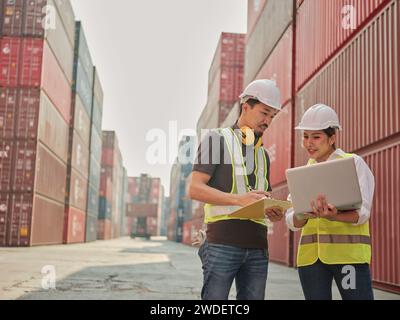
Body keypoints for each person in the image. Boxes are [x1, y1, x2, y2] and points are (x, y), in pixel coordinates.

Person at [188, 79, 285, 300]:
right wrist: (239, 200)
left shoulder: (263, 154)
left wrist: (273, 211)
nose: (268, 121)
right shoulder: (216, 139)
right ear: (246, 106)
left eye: (272, 116)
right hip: (222, 244)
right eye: (264, 113)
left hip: (258, 248)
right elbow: (194, 189)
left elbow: (257, 200)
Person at [285, 104, 375, 300]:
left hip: (348, 259)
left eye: (316, 137)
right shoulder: (301, 174)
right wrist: (302, 213)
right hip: (311, 260)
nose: (309, 143)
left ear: (332, 138)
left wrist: (336, 216)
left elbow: (364, 213)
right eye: (305, 136)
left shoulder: (353, 164)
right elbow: (291, 222)